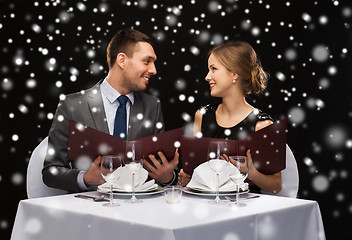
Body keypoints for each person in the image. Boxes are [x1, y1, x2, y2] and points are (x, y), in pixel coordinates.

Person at [43, 29, 178, 193]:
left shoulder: (152, 106)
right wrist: (86, 178)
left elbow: (160, 169)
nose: (154, 70)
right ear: (122, 60)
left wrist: (167, 178)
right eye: (147, 61)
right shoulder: (72, 105)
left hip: (137, 208)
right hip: (89, 210)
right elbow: (51, 172)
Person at [178, 41, 282, 194]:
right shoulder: (202, 115)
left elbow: (276, 186)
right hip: (204, 207)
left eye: (213, 69)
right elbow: (194, 173)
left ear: (234, 73)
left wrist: (251, 174)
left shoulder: (262, 124)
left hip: (243, 210)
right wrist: (187, 178)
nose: (207, 77)